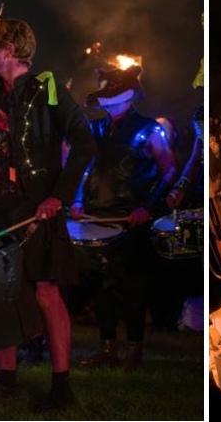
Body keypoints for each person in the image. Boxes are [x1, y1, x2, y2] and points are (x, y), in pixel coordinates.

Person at [0, 5, 99, 410]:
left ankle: (62, 385)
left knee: (47, 291)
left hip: (35, 206)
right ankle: (6, 378)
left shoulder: (46, 87)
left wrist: (58, 196)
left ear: (10, 49)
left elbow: (84, 143)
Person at [71, 59, 174, 370]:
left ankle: (134, 352)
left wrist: (149, 207)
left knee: (132, 287)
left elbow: (168, 170)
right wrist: (77, 200)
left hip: (131, 221)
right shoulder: (96, 128)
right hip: (95, 220)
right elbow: (83, 167)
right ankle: (106, 349)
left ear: (129, 96)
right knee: (102, 287)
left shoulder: (149, 129)